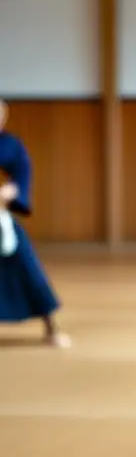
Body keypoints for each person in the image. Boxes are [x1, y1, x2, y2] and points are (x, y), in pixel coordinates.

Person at [0, 99, 71, 348]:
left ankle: (51, 327)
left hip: (0, 216)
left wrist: (12, 192)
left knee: (26, 265)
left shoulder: (10, 145)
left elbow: (21, 173)